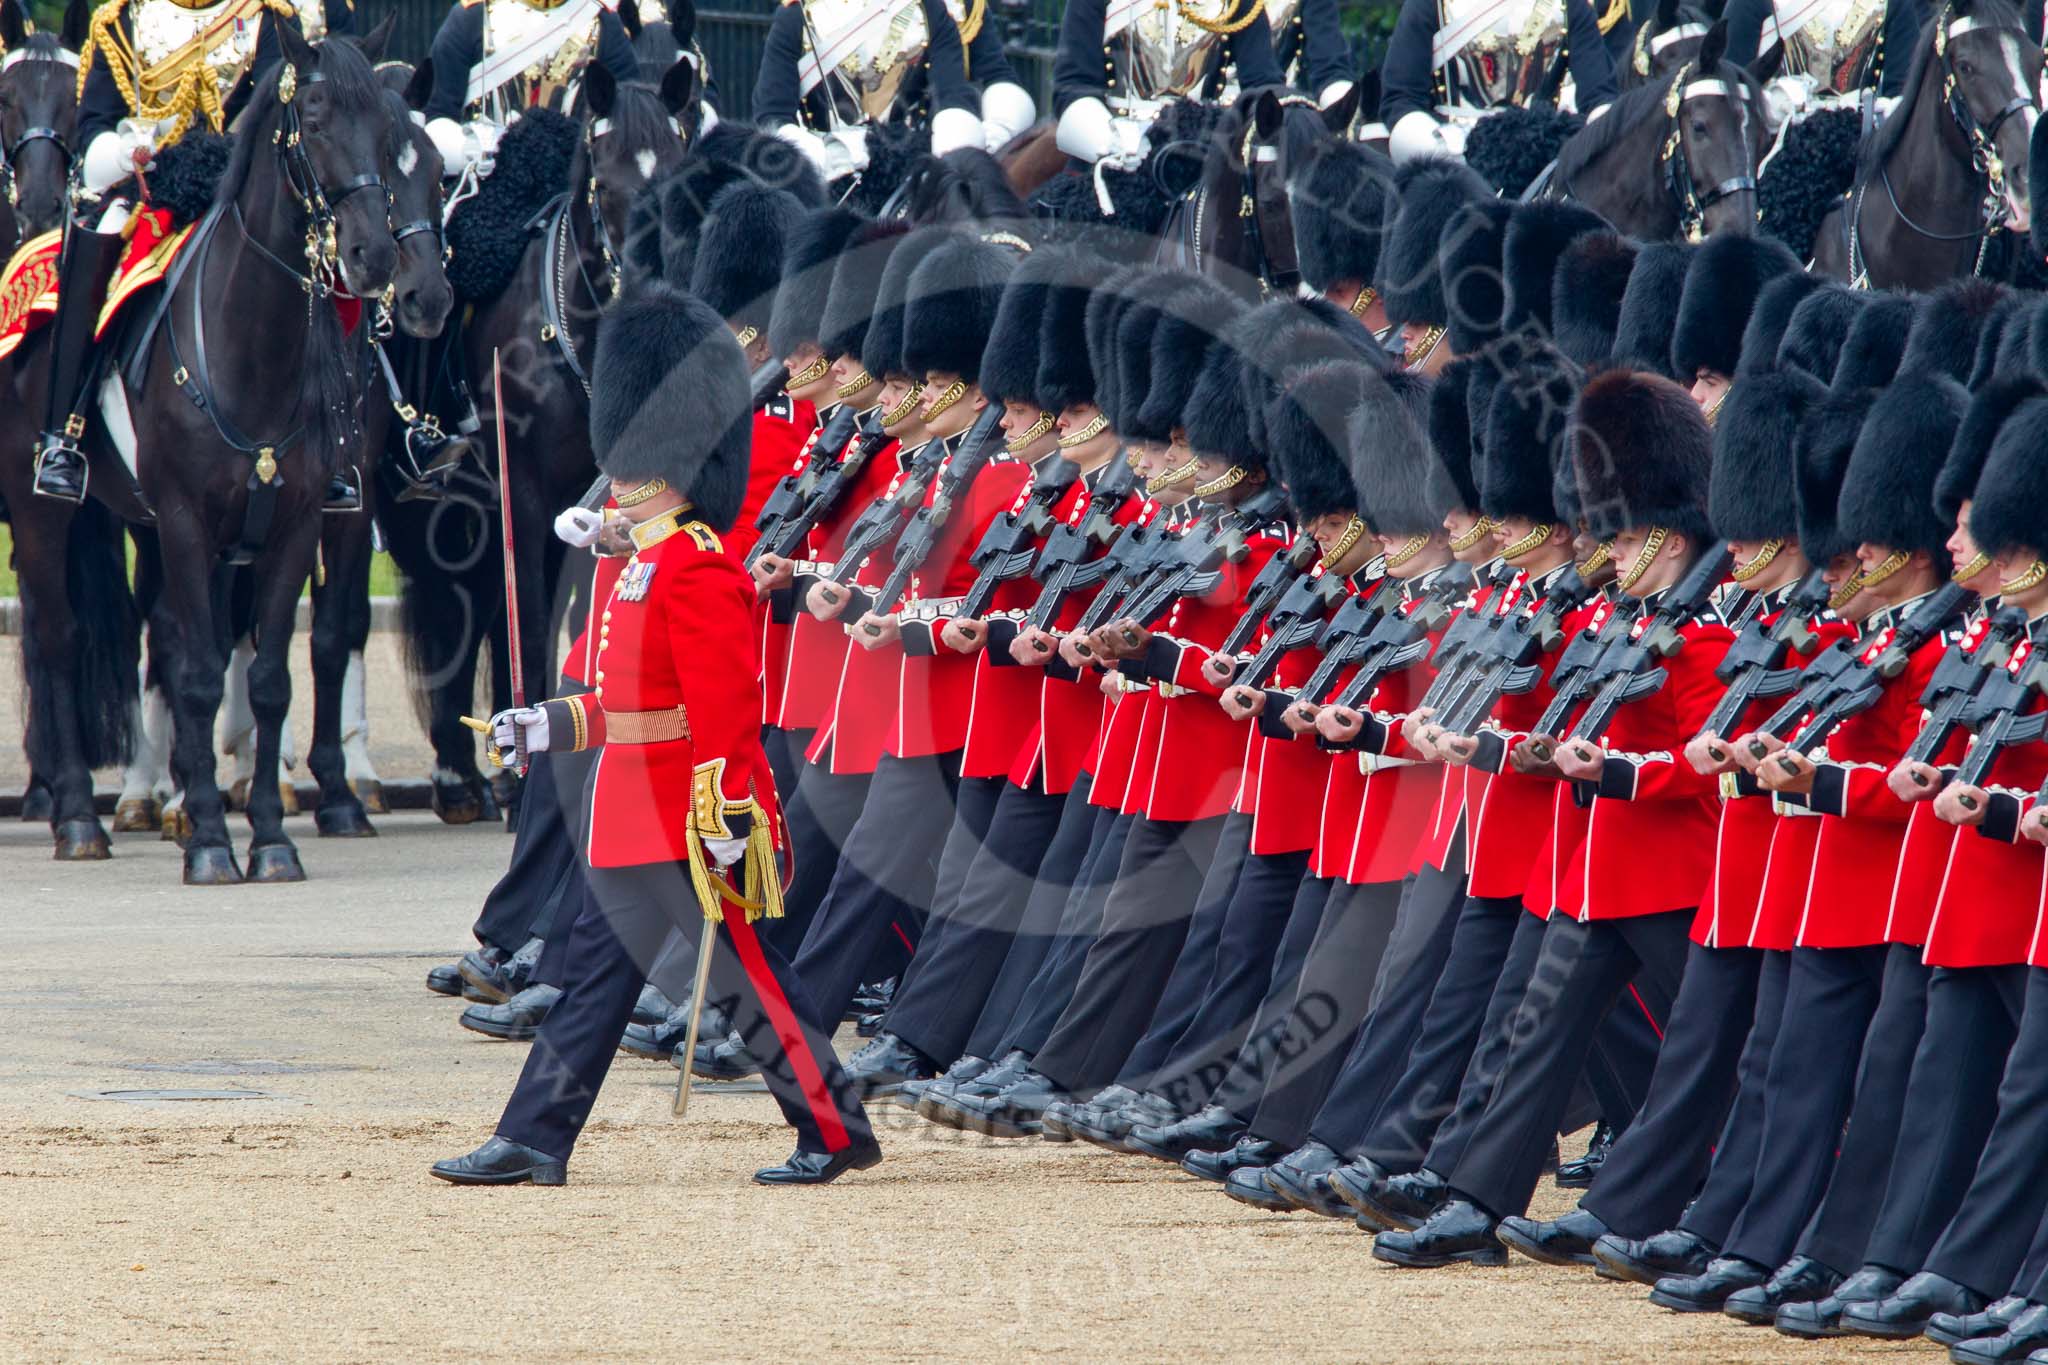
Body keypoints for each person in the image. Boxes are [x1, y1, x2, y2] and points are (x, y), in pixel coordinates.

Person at [431, 286, 879, 1187]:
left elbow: (723, 711)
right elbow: (610, 705)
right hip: (630, 816)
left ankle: (833, 1129)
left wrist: (731, 819)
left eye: (633, 468)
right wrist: (541, 727)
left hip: (686, 818)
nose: (620, 484)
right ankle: (535, 1139)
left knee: (753, 982)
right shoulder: (642, 567)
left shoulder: (699, 569)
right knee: (595, 985)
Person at [33, 0, 355, 505]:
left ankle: (334, 444)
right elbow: (94, 123)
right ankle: (63, 434)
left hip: (238, 187)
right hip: (147, 189)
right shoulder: (121, 19)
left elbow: (271, 114)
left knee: (326, 260)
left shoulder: (267, 16)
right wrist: (122, 150)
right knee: (92, 248)